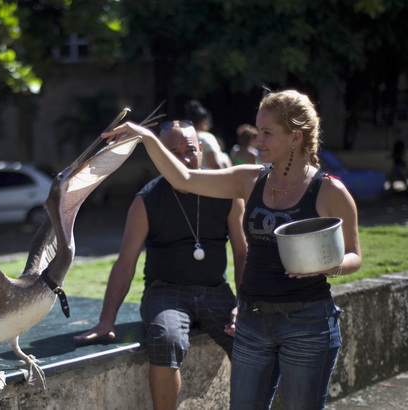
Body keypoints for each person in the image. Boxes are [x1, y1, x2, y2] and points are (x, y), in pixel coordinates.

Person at [102, 89, 362, 410]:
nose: (258, 140)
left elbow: (354, 256)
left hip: (307, 324)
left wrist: (327, 266)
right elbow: (183, 179)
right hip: (253, 323)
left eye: (267, 133)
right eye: (258, 130)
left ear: (295, 137)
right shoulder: (248, 179)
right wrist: (145, 136)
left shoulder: (329, 190)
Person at [74, 120, 247, 410]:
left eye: (189, 150)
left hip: (215, 290)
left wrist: (243, 304)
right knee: (166, 339)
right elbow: (126, 262)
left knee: (250, 339)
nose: (183, 158)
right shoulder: (146, 201)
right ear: (159, 155)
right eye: (173, 151)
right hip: (166, 292)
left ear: (201, 149)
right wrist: (106, 321)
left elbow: (243, 254)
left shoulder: (227, 194)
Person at [184, 100, 230, 169]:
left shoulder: (184, 137)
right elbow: (216, 165)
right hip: (210, 178)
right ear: (203, 121)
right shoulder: (207, 137)